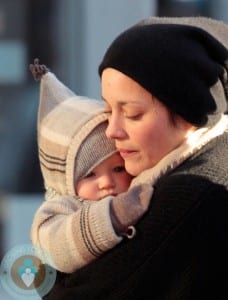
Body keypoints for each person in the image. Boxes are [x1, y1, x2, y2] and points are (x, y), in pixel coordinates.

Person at [42, 16, 228, 300]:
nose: (113, 131)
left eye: (132, 114)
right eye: (107, 110)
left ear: (187, 111)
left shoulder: (192, 193)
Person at [29, 59, 152, 273]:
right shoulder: (60, 209)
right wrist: (113, 216)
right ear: (64, 180)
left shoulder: (136, 190)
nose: (106, 182)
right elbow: (54, 248)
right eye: (90, 174)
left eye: (118, 169)